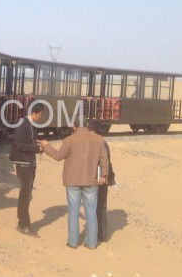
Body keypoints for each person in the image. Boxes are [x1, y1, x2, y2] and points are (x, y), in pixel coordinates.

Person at [39, 118, 109, 249]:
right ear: (87, 125)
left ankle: (73, 242)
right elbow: (104, 161)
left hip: (72, 181)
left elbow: (58, 156)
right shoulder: (99, 140)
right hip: (92, 181)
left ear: (75, 126)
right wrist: (104, 176)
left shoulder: (69, 140)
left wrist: (46, 146)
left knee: (73, 211)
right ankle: (92, 243)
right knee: (91, 213)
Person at [9, 106, 44, 237]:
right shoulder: (23, 126)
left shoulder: (29, 125)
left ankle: (23, 223)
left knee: (27, 194)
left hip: (28, 163)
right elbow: (20, 145)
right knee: (25, 194)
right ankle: (23, 225)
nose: (40, 118)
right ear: (33, 113)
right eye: (39, 115)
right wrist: (38, 149)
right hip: (23, 163)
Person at [87, 120, 115, 242]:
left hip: (94, 179)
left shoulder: (92, 144)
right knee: (101, 207)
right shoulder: (104, 143)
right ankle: (102, 235)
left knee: (93, 207)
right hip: (103, 178)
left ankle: (94, 236)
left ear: (93, 131)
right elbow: (108, 163)